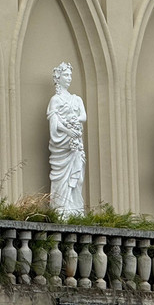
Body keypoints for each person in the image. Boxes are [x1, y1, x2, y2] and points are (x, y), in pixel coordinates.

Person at [47, 62, 87, 215]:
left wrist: (76, 120)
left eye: (70, 75)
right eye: (66, 75)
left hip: (75, 144)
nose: (69, 78)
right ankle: (61, 209)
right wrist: (68, 131)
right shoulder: (55, 100)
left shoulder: (77, 99)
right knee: (61, 178)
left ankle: (75, 209)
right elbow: (54, 122)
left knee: (78, 178)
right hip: (63, 144)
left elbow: (84, 115)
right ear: (58, 77)